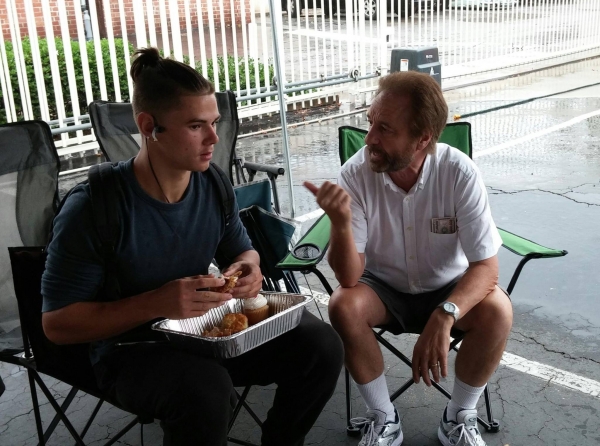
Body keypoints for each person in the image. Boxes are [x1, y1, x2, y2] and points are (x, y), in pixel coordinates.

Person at [41, 47, 343, 446]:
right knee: (205, 389)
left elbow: (243, 251)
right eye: (196, 126)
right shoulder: (95, 205)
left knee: (320, 345)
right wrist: (156, 303)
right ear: (149, 125)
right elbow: (57, 325)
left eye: (215, 123)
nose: (214, 139)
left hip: (207, 332)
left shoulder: (212, 183)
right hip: (130, 350)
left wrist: (248, 270)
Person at [304, 71, 512, 446]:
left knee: (498, 310)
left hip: (447, 286)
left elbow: (487, 267)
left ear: (423, 138)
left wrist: (446, 312)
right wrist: (340, 224)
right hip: (382, 289)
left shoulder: (458, 172)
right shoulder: (355, 173)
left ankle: (459, 417)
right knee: (343, 304)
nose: (370, 140)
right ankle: (383, 417)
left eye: (385, 129)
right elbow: (350, 278)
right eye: (370, 123)